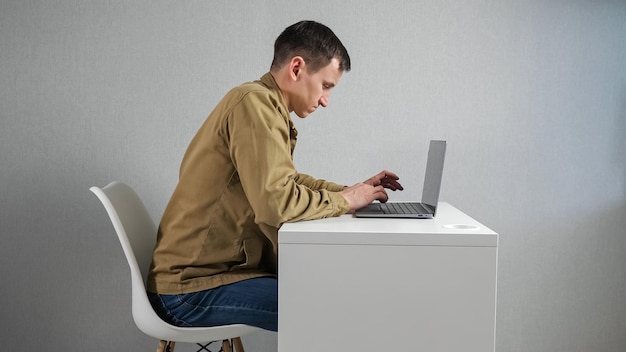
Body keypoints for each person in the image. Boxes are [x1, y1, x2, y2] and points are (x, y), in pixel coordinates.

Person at [147, 20, 403, 332]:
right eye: (325, 86)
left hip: (211, 275)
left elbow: (286, 181)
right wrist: (343, 201)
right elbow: (276, 202)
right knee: (336, 311)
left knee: (340, 294)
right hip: (190, 290)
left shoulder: (263, 104)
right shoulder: (254, 104)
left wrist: (352, 191)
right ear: (297, 68)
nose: (325, 101)